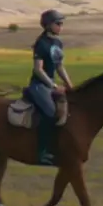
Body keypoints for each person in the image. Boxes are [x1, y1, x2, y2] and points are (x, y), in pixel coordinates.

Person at [28, 9, 73, 165]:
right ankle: (42, 152)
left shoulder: (58, 43)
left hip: (51, 85)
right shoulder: (41, 44)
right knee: (50, 112)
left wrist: (69, 85)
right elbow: (38, 69)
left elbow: (59, 66)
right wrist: (53, 85)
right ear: (48, 25)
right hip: (39, 85)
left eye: (62, 24)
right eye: (58, 23)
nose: (61, 27)